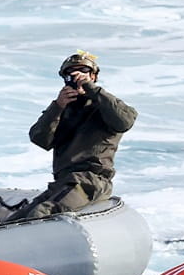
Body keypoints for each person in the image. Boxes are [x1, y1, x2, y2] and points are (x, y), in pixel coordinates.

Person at [13, 50, 136, 222]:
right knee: (16, 219)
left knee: (42, 214)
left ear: (93, 76)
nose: (77, 77)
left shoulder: (104, 106)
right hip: (64, 182)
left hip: (91, 180)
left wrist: (92, 90)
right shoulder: (63, 109)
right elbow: (40, 139)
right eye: (71, 73)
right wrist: (57, 107)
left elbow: (125, 121)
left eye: (83, 72)